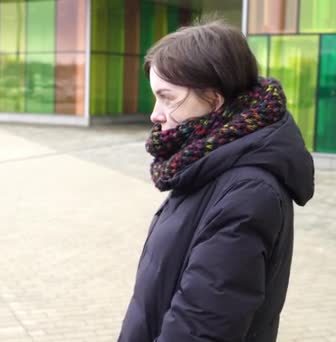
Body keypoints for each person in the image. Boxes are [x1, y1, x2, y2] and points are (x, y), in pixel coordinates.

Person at [118, 20, 314, 342]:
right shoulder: (205, 164)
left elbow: (202, 328)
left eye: (167, 97)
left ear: (212, 99)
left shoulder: (247, 192)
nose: (155, 114)